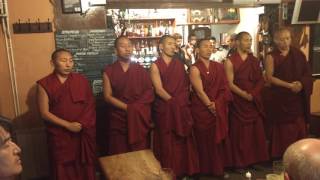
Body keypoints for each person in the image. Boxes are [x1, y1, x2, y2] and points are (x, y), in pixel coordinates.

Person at [37, 49, 96, 180]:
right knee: (62, 168)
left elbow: (90, 105)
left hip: (81, 131)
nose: (68, 64)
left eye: (70, 61)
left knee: (83, 166)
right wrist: (68, 125)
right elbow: (44, 113)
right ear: (52, 63)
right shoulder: (44, 84)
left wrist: (81, 123)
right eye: (63, 61)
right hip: (60, 134)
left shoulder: (81, 80)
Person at [150, 35, 199, 178]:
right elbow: (158, 89)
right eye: (169, 44)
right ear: (161, 47)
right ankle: (168, 172)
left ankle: (183, 170)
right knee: (166, 141)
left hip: (181, 106)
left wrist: (181, 102)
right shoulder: (155, 65)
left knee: (181, 140)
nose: (173, 46)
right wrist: (174, 102)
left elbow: (185, 86)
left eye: (174, 44)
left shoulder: (179, 64)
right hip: (166, 108)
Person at [264, 27, 313, 158]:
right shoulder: (271, 56)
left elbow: (308, 74)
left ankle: (299, 155)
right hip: (281, 99)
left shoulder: (298, 54)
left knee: (299, 128)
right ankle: (281, 156)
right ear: (275, 40)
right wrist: (289, 86)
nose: (285, 42)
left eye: (287, 38)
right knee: (283, 131)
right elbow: (269, 77)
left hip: (297, 98)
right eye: (282, 39)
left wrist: (301, 84)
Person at [103, 36, 154, 155]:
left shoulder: (140, 69)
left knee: (139, 152)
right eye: (123, 46)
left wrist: (135, 109)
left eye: (129, 46)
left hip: (138, 117)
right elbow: (107, 96)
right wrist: (128, 108)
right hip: (119, 116)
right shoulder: (109, 71)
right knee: (120, 151)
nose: (127, 49)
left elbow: (149, 92)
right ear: (115, 50)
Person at [224, 32, 269, 168]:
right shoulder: (230, 61)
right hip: (238, 101)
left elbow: (261, 79)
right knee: (239, 134)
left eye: (250, 40)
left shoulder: (254, 60)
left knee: (255, 132)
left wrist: (253, 94)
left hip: (253, 100)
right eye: (245, 40)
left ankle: (254, 161)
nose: (249, 43)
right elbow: (229, 83)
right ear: (237, 42)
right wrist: (245, 95)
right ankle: (239, 163)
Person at [189, 38, 232, 176]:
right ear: (198, 50)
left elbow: (225, 87)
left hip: (217, 106)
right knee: (203, 140)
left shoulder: (219, 66)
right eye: (205, 46)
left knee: (216, 141)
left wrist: (217, 103)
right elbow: (199, 91)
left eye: (211, 46)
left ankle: (218, 169)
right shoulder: (194, 68)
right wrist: (210, 106)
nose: (208, 49)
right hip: (202, 109)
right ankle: (204, 170)